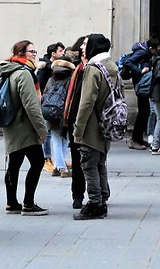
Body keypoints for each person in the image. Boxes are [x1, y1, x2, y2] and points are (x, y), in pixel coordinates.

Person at [0, 41, 49, 216]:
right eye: (31, 51)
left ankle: (12, 202)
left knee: (14, 163)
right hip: (25, 126)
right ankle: (28, 203)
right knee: (37, 162)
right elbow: (31, 105)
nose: (35, 54)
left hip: (12, 124)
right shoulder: (24, 73)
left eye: (35, 51)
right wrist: (42, 130)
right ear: (22, 53)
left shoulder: (10, 70)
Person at [73, 34, 116, 220]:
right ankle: (102, 199)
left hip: (91, 123)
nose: (83, 48)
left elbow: (86, 101)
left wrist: (78, 127)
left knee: (89, 164)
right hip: (106, 121)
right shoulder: (111, 66)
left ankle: (94, 203)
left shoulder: (93, 68)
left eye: (86, 44)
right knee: (100, 163)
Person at [63, 35, 88, 209]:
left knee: (95, 160)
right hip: (74, 119)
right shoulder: (74, 69)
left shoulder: (95, 69)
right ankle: (77, 195)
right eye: (84, 44)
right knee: (78, 159)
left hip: (89, 121)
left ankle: (99, 192)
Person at [123, 37, 159, 150]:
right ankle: (135, 139)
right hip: (141, 84)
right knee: (143, 112)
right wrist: (140, 71)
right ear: (151, 48)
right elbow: (128, 62)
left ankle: (138, 138)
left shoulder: (144, 51)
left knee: (145, 111)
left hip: (141, 83)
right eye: (155, 49)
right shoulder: (143, 52)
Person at [37, 42, 65, 173]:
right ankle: (46, 158)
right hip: (46, 103)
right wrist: (43, 99)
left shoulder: (57, 67)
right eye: (60, 51)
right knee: (47, 132)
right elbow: (38, 85)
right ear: (53, 54)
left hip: (52, 102)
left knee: (51, 132)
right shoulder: (45, 68)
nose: (62, 53)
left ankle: (56, 160)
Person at [45, 59, 74, 177]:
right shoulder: (70, 81)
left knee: (56, 141)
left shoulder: (51, 80)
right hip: (65, 114)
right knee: (64, 140)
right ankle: (62, 168)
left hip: (51, 114)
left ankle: (57, 166)